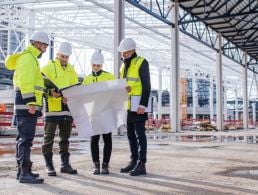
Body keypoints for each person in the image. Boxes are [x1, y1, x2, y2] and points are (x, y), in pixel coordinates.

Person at [7, 31, 49, 183]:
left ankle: (23, 171)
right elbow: (25, 82)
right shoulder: (27, 58)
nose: (45, 48)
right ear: (37, 43)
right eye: (45, 45)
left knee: (23, 139)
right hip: (26, 104)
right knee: (25, 139)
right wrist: (31, 103)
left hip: (27, 104)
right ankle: (24, 173)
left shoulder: (31, 58)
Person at [41, 42, 78, 176]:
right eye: (62, 56)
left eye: (66, 57)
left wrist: (70, 97)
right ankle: (49, 165)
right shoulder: (48, 67)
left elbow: (75, 89)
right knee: (48, 137)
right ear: (57, 54)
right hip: (52, 108)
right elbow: (40, 86)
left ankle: (65, 164)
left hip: (67, 108)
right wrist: (51, 92)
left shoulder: (72, 71)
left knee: (65, 138)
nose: (64, 59)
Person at [118, 38, 151, 176]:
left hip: (138, 106)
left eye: (125, 52)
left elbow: (146, 85)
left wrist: (143, 104)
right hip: (128, 106)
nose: (123, 55)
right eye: (122, 53)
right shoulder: (123, 66)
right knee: (131, 135)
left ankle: (141, 164)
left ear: (132, 50)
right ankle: (133, 161)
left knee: (140, 135)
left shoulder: (141, 62)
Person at [82, 51, 115, 174]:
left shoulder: (109, 77)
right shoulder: (87, 79)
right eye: (94, 65)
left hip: (106, 113)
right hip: (94, 114)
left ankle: (105, 165)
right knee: (94, 139)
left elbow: (114, 94)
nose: (96, 67)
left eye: (98, 65)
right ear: (91, 64)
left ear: (102, 65)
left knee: (107, 139)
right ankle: (96, 165)